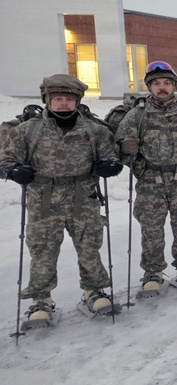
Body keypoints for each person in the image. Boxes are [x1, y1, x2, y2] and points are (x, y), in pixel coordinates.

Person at [0, 75, 123, 322]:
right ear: (47, 100)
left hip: (83, 196)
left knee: (89, 247)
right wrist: (13, 171)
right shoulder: (27, 130)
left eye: (69, 99)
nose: (63, 104)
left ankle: (94, 290)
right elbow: (5, 160)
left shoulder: (94, 130)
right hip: (44, 199)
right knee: (42, 250)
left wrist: (110, 166)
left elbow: (112, 156)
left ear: (77, 101)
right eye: (58, 99)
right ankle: (41, 300)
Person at [116, 61, 177, 294]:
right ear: (149, 86)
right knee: (151, 230)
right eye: (157, 83)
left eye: (167, 83)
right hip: (150, 182)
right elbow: (119, 153)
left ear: (174, 86)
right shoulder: (135, 116)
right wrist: (125, 150)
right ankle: (153, 273)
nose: (162, 87)